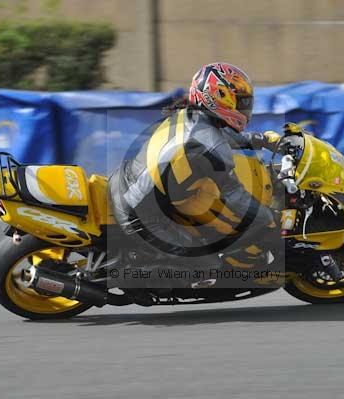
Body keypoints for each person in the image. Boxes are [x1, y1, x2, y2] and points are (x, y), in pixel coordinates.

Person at [108, 62, 284, 291]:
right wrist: (270, 217)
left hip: (124, 181)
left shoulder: (191, 116)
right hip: (140, 214)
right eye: (241, 102)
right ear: (219, 98)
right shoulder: (209, 143)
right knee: (207, 268)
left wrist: (259, 140)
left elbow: (219, 138)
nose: (245, 108)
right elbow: (236, 197)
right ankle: (132, 277)